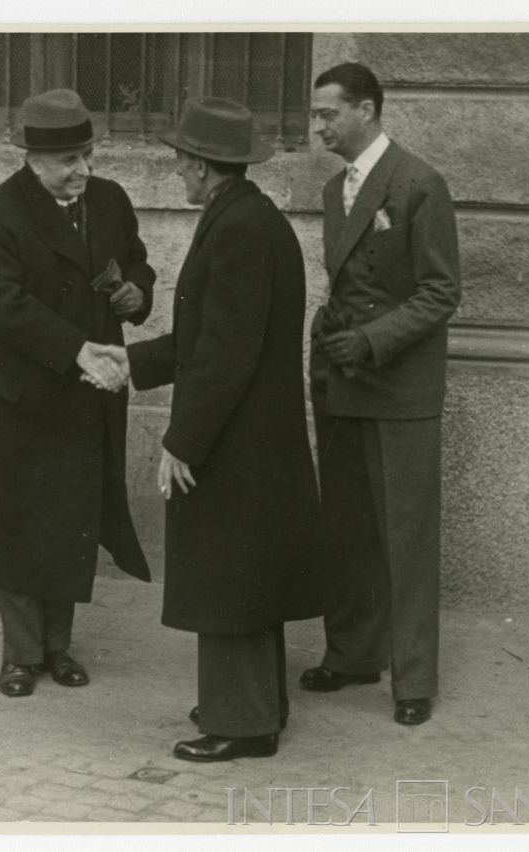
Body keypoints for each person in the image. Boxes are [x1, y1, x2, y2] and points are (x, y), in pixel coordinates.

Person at [119, 97, 326, 762]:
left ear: (206, 166)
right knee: (247, 579)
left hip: (236, 442)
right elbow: (209, 337)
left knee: (230, 581)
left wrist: (183, 441)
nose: (177, 170)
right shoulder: (247, 217)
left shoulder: (238, 228)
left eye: (182, 159)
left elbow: (223, 354)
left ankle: (242, 723)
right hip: (254, 439)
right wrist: (132, 363)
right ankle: (256, 707)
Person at [0, 89, 155, 697]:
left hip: (82, 386)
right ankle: (20, 652)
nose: (84, 170)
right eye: (69, 160)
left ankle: (58, 647)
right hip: (6, 393)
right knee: (12, 519)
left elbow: (136, 261)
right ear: (33, 160)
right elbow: (2, 304)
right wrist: (76, 349)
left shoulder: (109, 200)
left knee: (69, 514)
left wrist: (137, 292)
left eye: (87, 154)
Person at [302, 62, 461, 726]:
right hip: (342, 382)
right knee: (346, 528)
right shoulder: (338, 188)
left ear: (365, 111)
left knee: (406, 535)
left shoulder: (420, 183)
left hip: (398, 386)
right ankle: (352, 654)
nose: (317, 127)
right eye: (314, 116)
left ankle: (414, 679)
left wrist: (370, 340)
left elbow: (440, 291)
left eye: (326, 114)